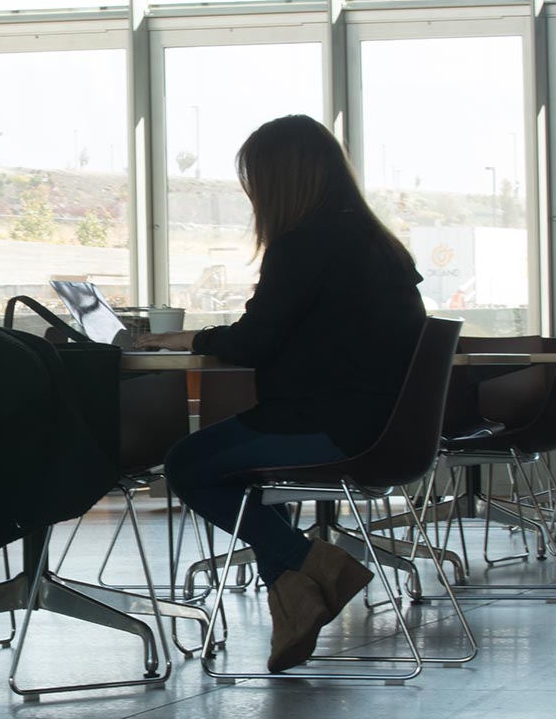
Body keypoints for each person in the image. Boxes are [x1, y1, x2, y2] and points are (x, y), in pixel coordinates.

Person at [135, 114, 425, 673]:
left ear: (281, 180)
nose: (253, 194)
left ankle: (313, 563)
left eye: (256, 179)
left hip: (331, 426)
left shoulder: (305, 243)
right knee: (241, 468)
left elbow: (256, 341)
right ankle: (293, 601)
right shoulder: (378, 243)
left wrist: (190, 338)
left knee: (187, 464)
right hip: (386, 426)